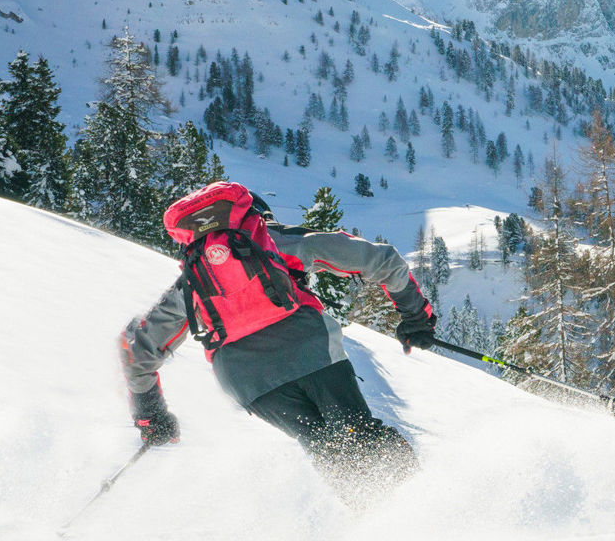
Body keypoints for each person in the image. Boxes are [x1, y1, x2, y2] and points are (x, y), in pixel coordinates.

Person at [119, 181, 438, 509]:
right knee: (358, 434)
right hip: (310, 351)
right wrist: (416, 316)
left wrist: (150, 415)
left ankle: (376, 520)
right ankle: (420, 509)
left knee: (327, 448)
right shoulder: (278, 242)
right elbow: (380, 259)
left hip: (248, 383)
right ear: (255, 219)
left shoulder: (192, 278)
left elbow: (140, 350)